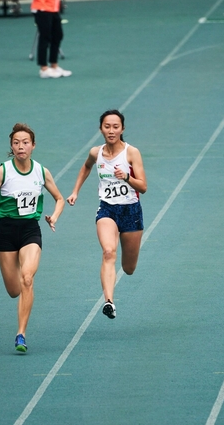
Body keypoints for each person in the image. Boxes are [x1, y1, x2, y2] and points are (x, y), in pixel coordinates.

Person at [0, 123, 65, 352]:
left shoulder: (41, 171)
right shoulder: (3, 171)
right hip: (5, 232)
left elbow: (59, 198)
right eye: (16, 143)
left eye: (25, 142)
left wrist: (54, 217)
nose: (20, 146)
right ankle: (16, 272)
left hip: (30, 230)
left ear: (33, 146)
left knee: (27, 278)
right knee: (14, 290)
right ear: (11, 146)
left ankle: (21, 334)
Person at [66, 110, 147, 319]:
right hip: (107, 209)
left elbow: (143, 186)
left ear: (122, 129)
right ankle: (109, 301)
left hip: (130, 211)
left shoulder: (131, 153)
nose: (111, 131)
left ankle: (117, 284)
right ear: (101, 128)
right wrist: (75, 191)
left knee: (128, 268)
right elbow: (86, 167)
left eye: (115, 127)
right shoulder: (96, 153)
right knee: (108, 252)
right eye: (107, 126)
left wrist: (127, 177)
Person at [31, 0, 71, 79]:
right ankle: (44, 69)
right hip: (42, 8)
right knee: (45, 37)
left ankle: (54, 65)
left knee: (58, 35)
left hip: (53, 8)